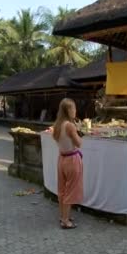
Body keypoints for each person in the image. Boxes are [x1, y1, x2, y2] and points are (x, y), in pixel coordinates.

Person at [52, 98, 83, 229]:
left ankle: (63, 216)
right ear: (68, 110)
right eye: (73, 108)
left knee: (62, 190)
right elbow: (78, 143)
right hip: (71, 159)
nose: (75, 111)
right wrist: (79, 133)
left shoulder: (57, 125)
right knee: (70, 191)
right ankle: (65, 221)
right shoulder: (70, 125)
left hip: (62, 159)